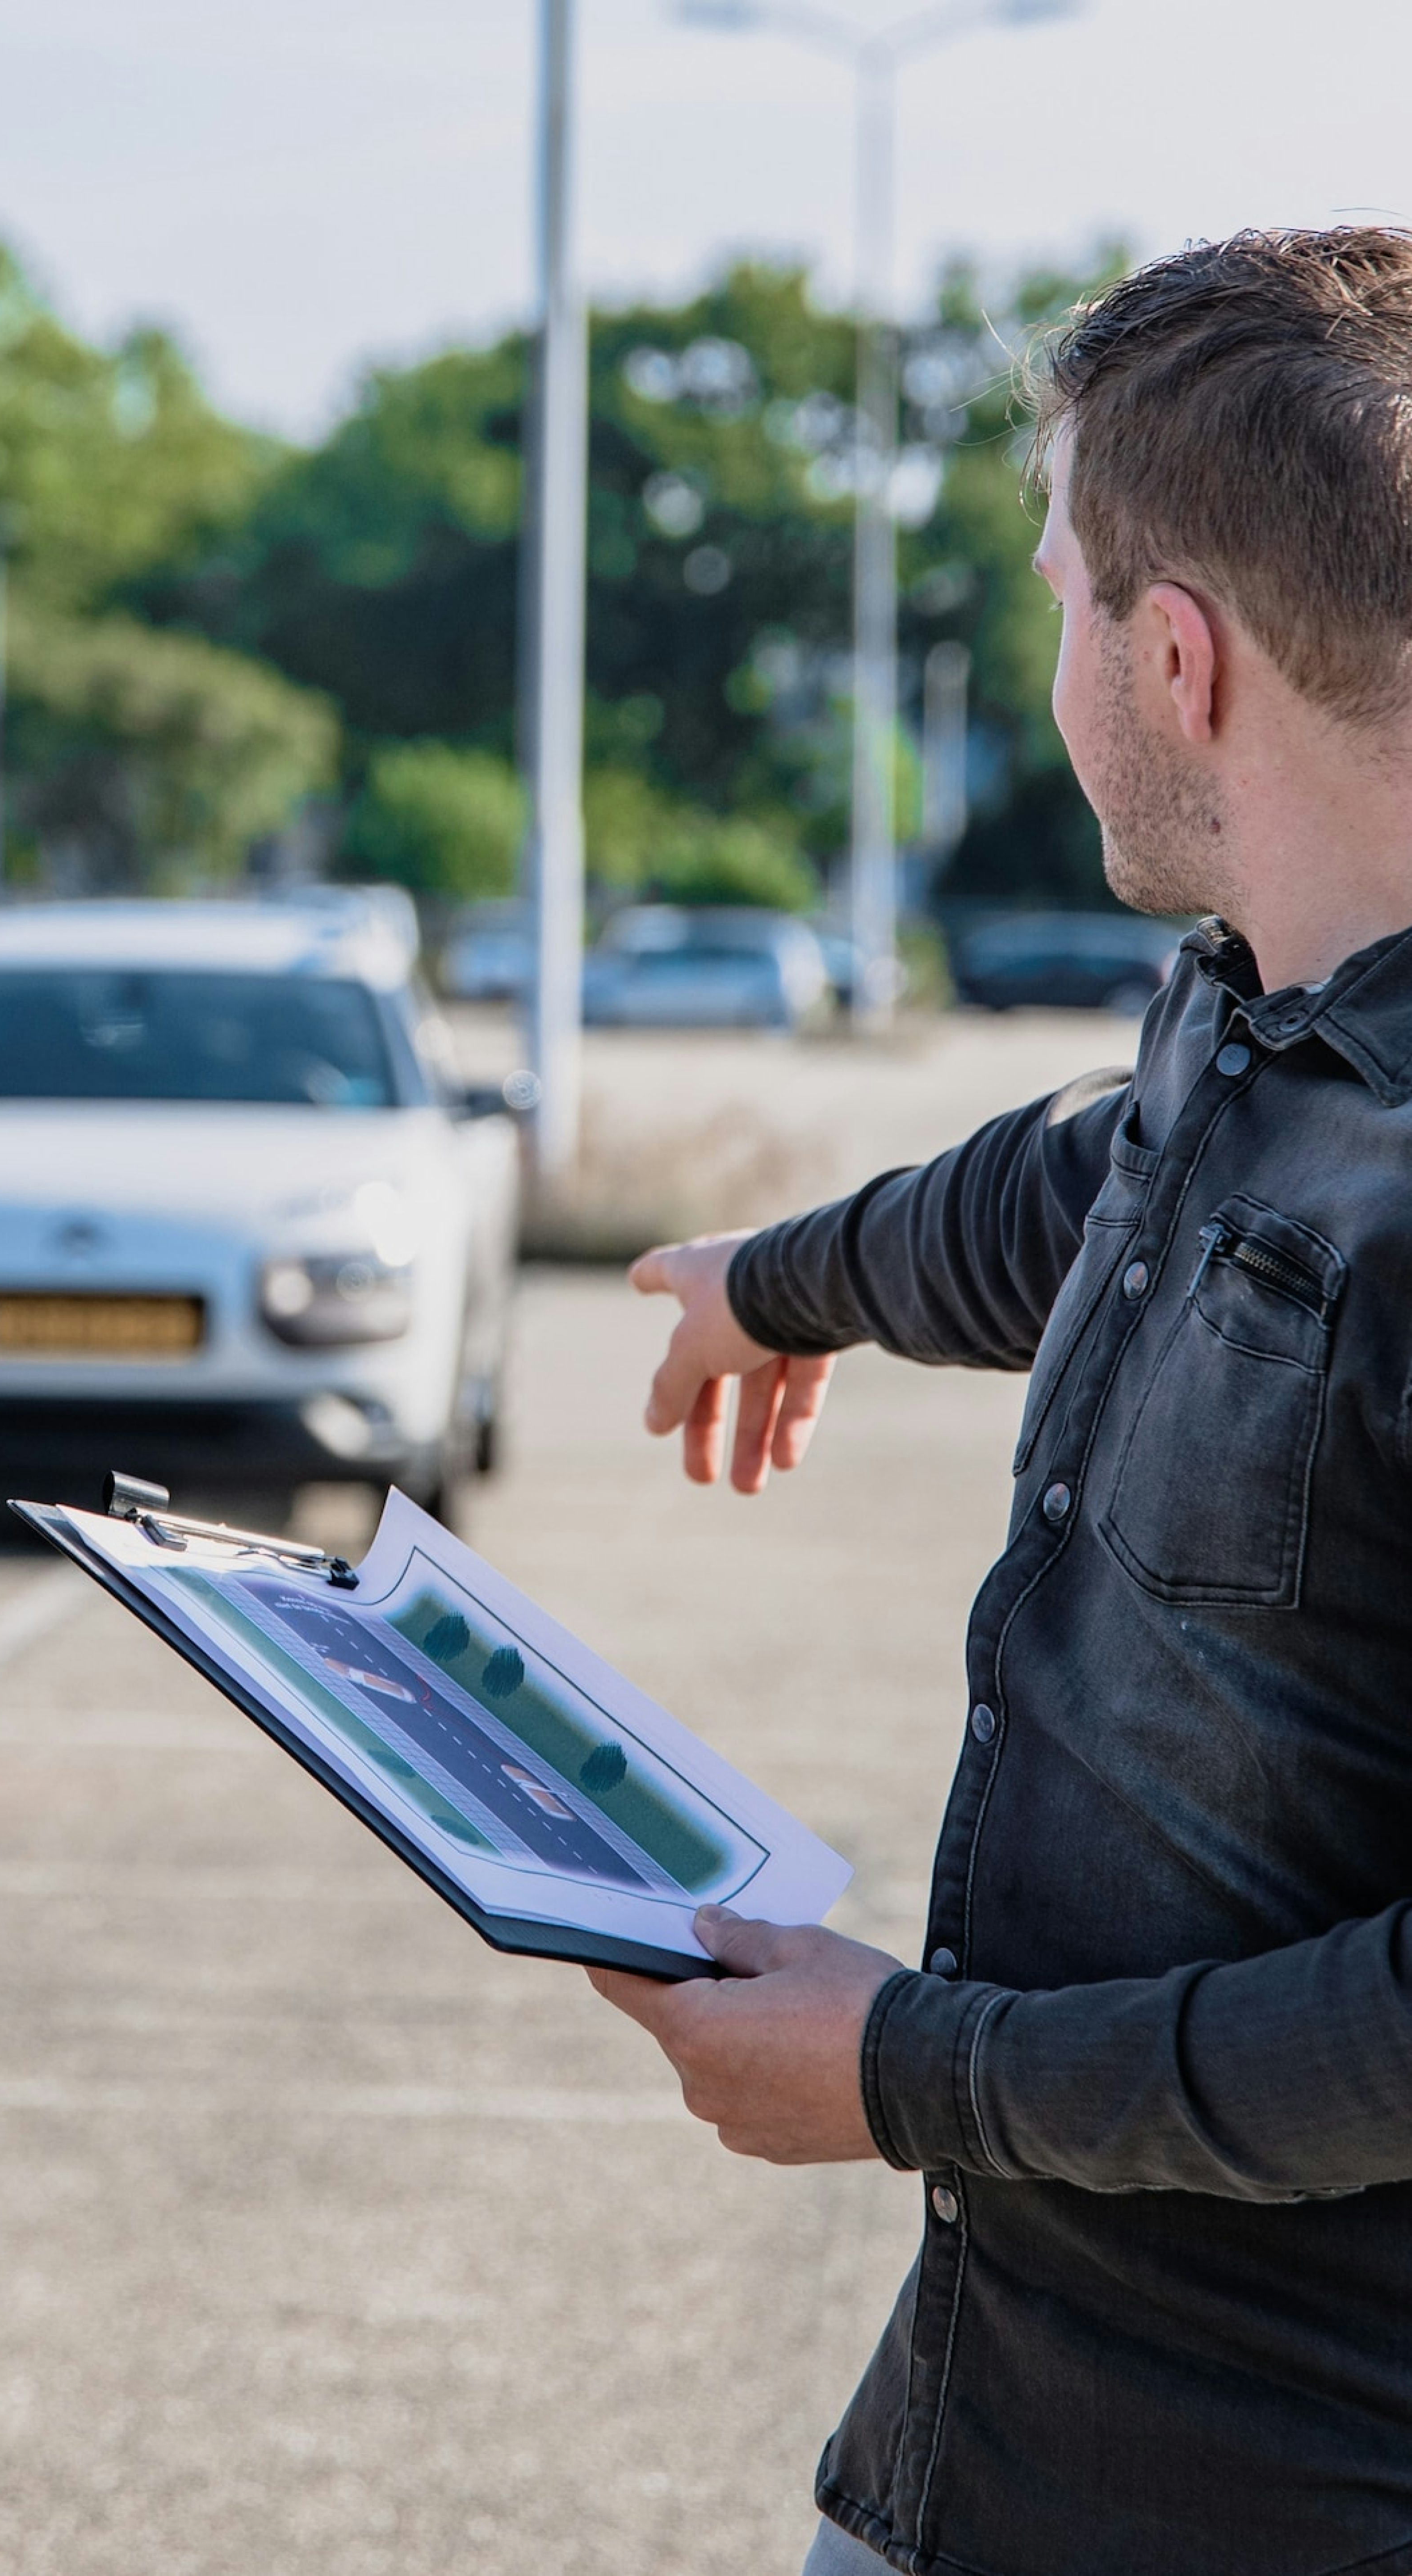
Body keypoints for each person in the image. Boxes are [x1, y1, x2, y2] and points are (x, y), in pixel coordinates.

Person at [591, 226, 1412, 2576]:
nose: (1048, 660)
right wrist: (784, 1276)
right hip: (994, 2432)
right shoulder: (1260, 1014)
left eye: (1061, 598)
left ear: (1176, 658)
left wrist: (902, 2070)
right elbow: (1091, 1177)